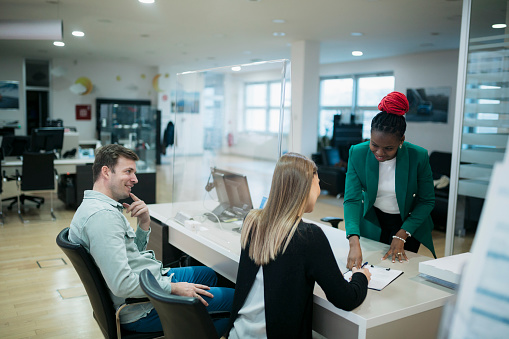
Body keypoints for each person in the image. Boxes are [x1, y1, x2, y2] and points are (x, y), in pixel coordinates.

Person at [68, 144, 234, 335]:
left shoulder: (95, 206)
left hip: (151, 279)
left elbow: (132, 257)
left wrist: (144, 224)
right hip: (141, 309)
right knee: (236, 300)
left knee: (209, 275)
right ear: (106, 172)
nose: (135, 179)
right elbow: (122, 284)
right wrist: (172, 288)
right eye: (128, 171)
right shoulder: (103, 218)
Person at [224, 152, 370, 339]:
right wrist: (361, 276)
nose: (318, 191)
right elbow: (346, 299)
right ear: (306, 187)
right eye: (318, 184)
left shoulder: (252, 221)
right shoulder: (308, 235)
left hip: (237, 333)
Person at [343, 91, 437, 270]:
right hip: (374, 219)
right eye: (374, 144)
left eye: (388, 148)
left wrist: (402, 234)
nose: (379, 153)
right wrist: (353, 242)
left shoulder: (418, 156)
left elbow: (426, 200)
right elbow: (352, 199)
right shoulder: (357, 153)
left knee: (402, 273)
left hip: (408, 223)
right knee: (373, 269)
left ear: (401, 140)